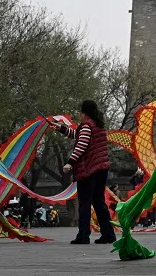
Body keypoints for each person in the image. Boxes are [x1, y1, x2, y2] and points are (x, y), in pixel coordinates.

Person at [50, 100, 116, 245]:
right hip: (101, 168)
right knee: (99, 202)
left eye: (80, 112)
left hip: (89, 170)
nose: (79, 114)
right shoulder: (97, 125)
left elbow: (81, 145)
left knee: (85, 202)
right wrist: (61, 128)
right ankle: (108, 234)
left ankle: (83, 235)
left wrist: (70, 162)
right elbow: (78, 135)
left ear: (84, 112)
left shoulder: (86, 125)